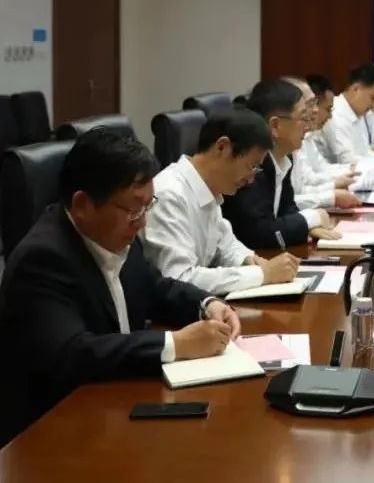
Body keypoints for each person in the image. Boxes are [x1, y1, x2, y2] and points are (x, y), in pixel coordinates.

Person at [0, 128, 241, 446]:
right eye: (133, 209)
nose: (142, 222)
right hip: (56, 433)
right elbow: (75, 353)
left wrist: (208, 304)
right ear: (83, 204)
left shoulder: (117, 233)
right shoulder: (43, 259)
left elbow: (154, 287)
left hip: (115, 403)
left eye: (147, 206)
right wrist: (175, 344)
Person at [143, 108, 300, 295]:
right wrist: (262, 274)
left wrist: (250, 260)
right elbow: (179, 278)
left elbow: (226, 245)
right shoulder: (169, 195)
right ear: (222, 147)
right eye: (251, 166)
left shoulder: (209, 189)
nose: (251, 179)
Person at [221, 79, 340, 249]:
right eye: (303, 118)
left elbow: (287, 209)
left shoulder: (285, 157)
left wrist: (306, 228)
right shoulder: (252, 164)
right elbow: (258, 233)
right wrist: (310, 219)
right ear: (275, 125)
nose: (307, 126)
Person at [284, 76, 361, 210]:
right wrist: (332, 193)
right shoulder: (280, 146)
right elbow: (290, 200)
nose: (315, 110)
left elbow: (308, 180)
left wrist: (347, 175)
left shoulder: (303, 137)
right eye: (310, 104)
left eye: (315, 103)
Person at [322, 64, 374, 164]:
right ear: (356, 89)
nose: (373, 106)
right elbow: (347, 160)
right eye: (372, 98)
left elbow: (364, 152)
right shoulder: (335, 113)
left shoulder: (356, 114)